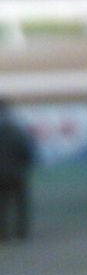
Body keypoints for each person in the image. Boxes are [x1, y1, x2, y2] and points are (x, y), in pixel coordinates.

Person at [0, 99, 34, 241]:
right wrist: (24, 166)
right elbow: (26, 150)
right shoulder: (17, 129)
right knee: (20, 202)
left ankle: (3, 232)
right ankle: (21, 231)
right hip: (16, 171)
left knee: (2, 203)